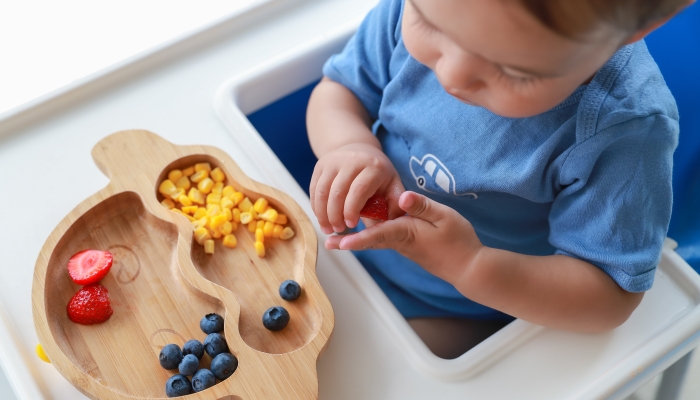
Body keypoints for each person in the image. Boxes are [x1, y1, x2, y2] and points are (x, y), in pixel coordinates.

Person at [306, 0, 692, 358]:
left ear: (632, 31)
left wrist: (472, 266)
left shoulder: (623, 130)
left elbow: (609, 296)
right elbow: (340, 91)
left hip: (458, 309)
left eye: (514, 71)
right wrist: (350, 145)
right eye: (428, 24)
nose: (452, 75)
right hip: (335, 250)